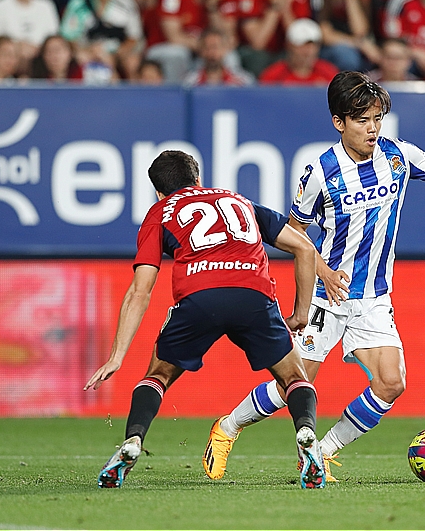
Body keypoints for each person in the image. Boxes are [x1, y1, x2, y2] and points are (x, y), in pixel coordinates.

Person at [201, 70, 425, 483]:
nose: (373, 128)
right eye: (363, 120)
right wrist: (323, 271)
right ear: (339, 123)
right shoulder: (320, 173)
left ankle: (322, 451)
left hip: (375, 297)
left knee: (391, 382)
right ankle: (227, 428)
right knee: (296, 381)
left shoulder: (399, 157)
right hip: (329, 298)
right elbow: (294, 235)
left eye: (377, 118)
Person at [84, 150, 326, 490]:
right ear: (198, 178)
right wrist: (301, 313)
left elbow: (140, 291)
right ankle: (305, 432)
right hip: (253, 295)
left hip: (199, 298)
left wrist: (117, 356)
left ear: (158, 191)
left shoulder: (159, 212)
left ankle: (133, 441)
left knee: (158, 374)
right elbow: (304, 247)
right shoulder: (238, 200)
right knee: (293, 377)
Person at [0, 0, 60, 76]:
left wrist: (34, 50)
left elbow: (54, 39)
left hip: (39, 60)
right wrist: (17, 49)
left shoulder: (46, 5)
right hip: (8, 59)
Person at [259, 18, 338, 85]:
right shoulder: (273, 76)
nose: (308, 52)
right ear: (289, 46)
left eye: (312, 46)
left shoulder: (329, 73)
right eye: (302, 46)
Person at [317, 0, 380, 72]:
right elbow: (326, 36)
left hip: (358, 48)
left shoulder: (363, 2)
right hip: (332, 49)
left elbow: (360, 31)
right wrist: (360, 44)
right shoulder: (327, 3)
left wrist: (351, 1)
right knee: (346, 55)